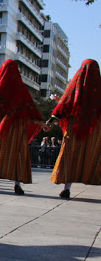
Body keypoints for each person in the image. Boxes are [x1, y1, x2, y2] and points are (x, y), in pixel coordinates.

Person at [0, 60, 46, 194]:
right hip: (16, 128)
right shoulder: (20, 88)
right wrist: (42, 123)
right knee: (16, 154)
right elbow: (30, 108)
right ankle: (17, 184)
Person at [47, 59, 101, 199]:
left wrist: (50, 122)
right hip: (94, 128)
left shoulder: (75, 88)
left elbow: (64, 106)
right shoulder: (98, 90)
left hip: (75, 127)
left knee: (70, 157)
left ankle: (67, 188)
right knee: (92, 156)